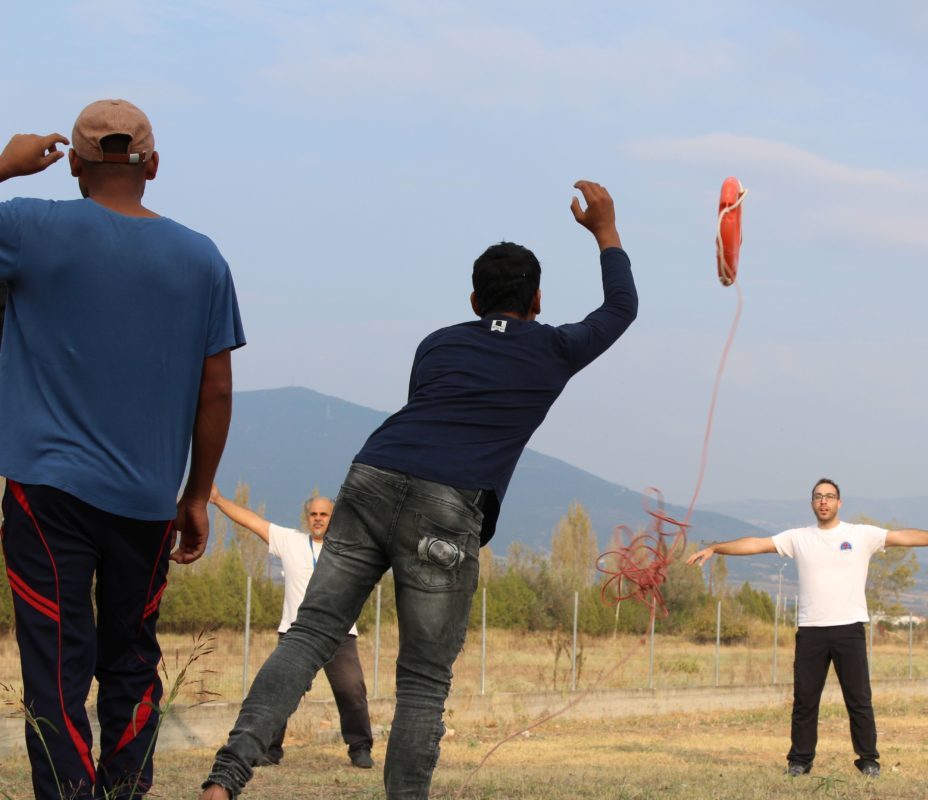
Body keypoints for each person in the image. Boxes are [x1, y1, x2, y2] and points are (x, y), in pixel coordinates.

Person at [200, 180, 636, 800]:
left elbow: (424, 409)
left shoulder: (438, 343)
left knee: (310, 634)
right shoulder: (555, 347)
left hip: (374, 473)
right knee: (423, 683)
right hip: (447, 505)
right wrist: (606, 232)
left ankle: (225, 778)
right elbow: (621, 309)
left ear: (473, 298)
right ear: (537, 300)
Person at [0, 100, 245, 799]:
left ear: (73, 164)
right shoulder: (202, 259)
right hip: (146, 502)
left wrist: (7, 167)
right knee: (132, 660)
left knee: (55, 665)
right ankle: (122, 793)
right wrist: (196, 496)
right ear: (154, 166)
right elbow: (216, 392)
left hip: (45, 495)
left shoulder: (28, 228)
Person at [687, 478, 928, 778]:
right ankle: (799, 761)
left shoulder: (861, 534)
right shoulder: (798, 538)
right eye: (818, 496)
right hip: (811, 630)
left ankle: (868, 760)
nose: (823, 501)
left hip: (849, 629)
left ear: (839, 503)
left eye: (829, 496)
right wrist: (716, 549)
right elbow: (756, 544)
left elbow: (904, 536)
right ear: (812, 503)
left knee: (859, 699)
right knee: (805, 700)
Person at [208, 486, 374, 768]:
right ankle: (270, 750)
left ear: (334, 517)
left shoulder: (349, 547)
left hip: (339, 633)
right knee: (279, 690)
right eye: (313, 514)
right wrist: (217, 499)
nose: (318, 519)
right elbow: (252, 521)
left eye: (324, 514)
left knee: (351, 690)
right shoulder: (290, 541)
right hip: (296, 632)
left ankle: (360, 749)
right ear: (306, 518)